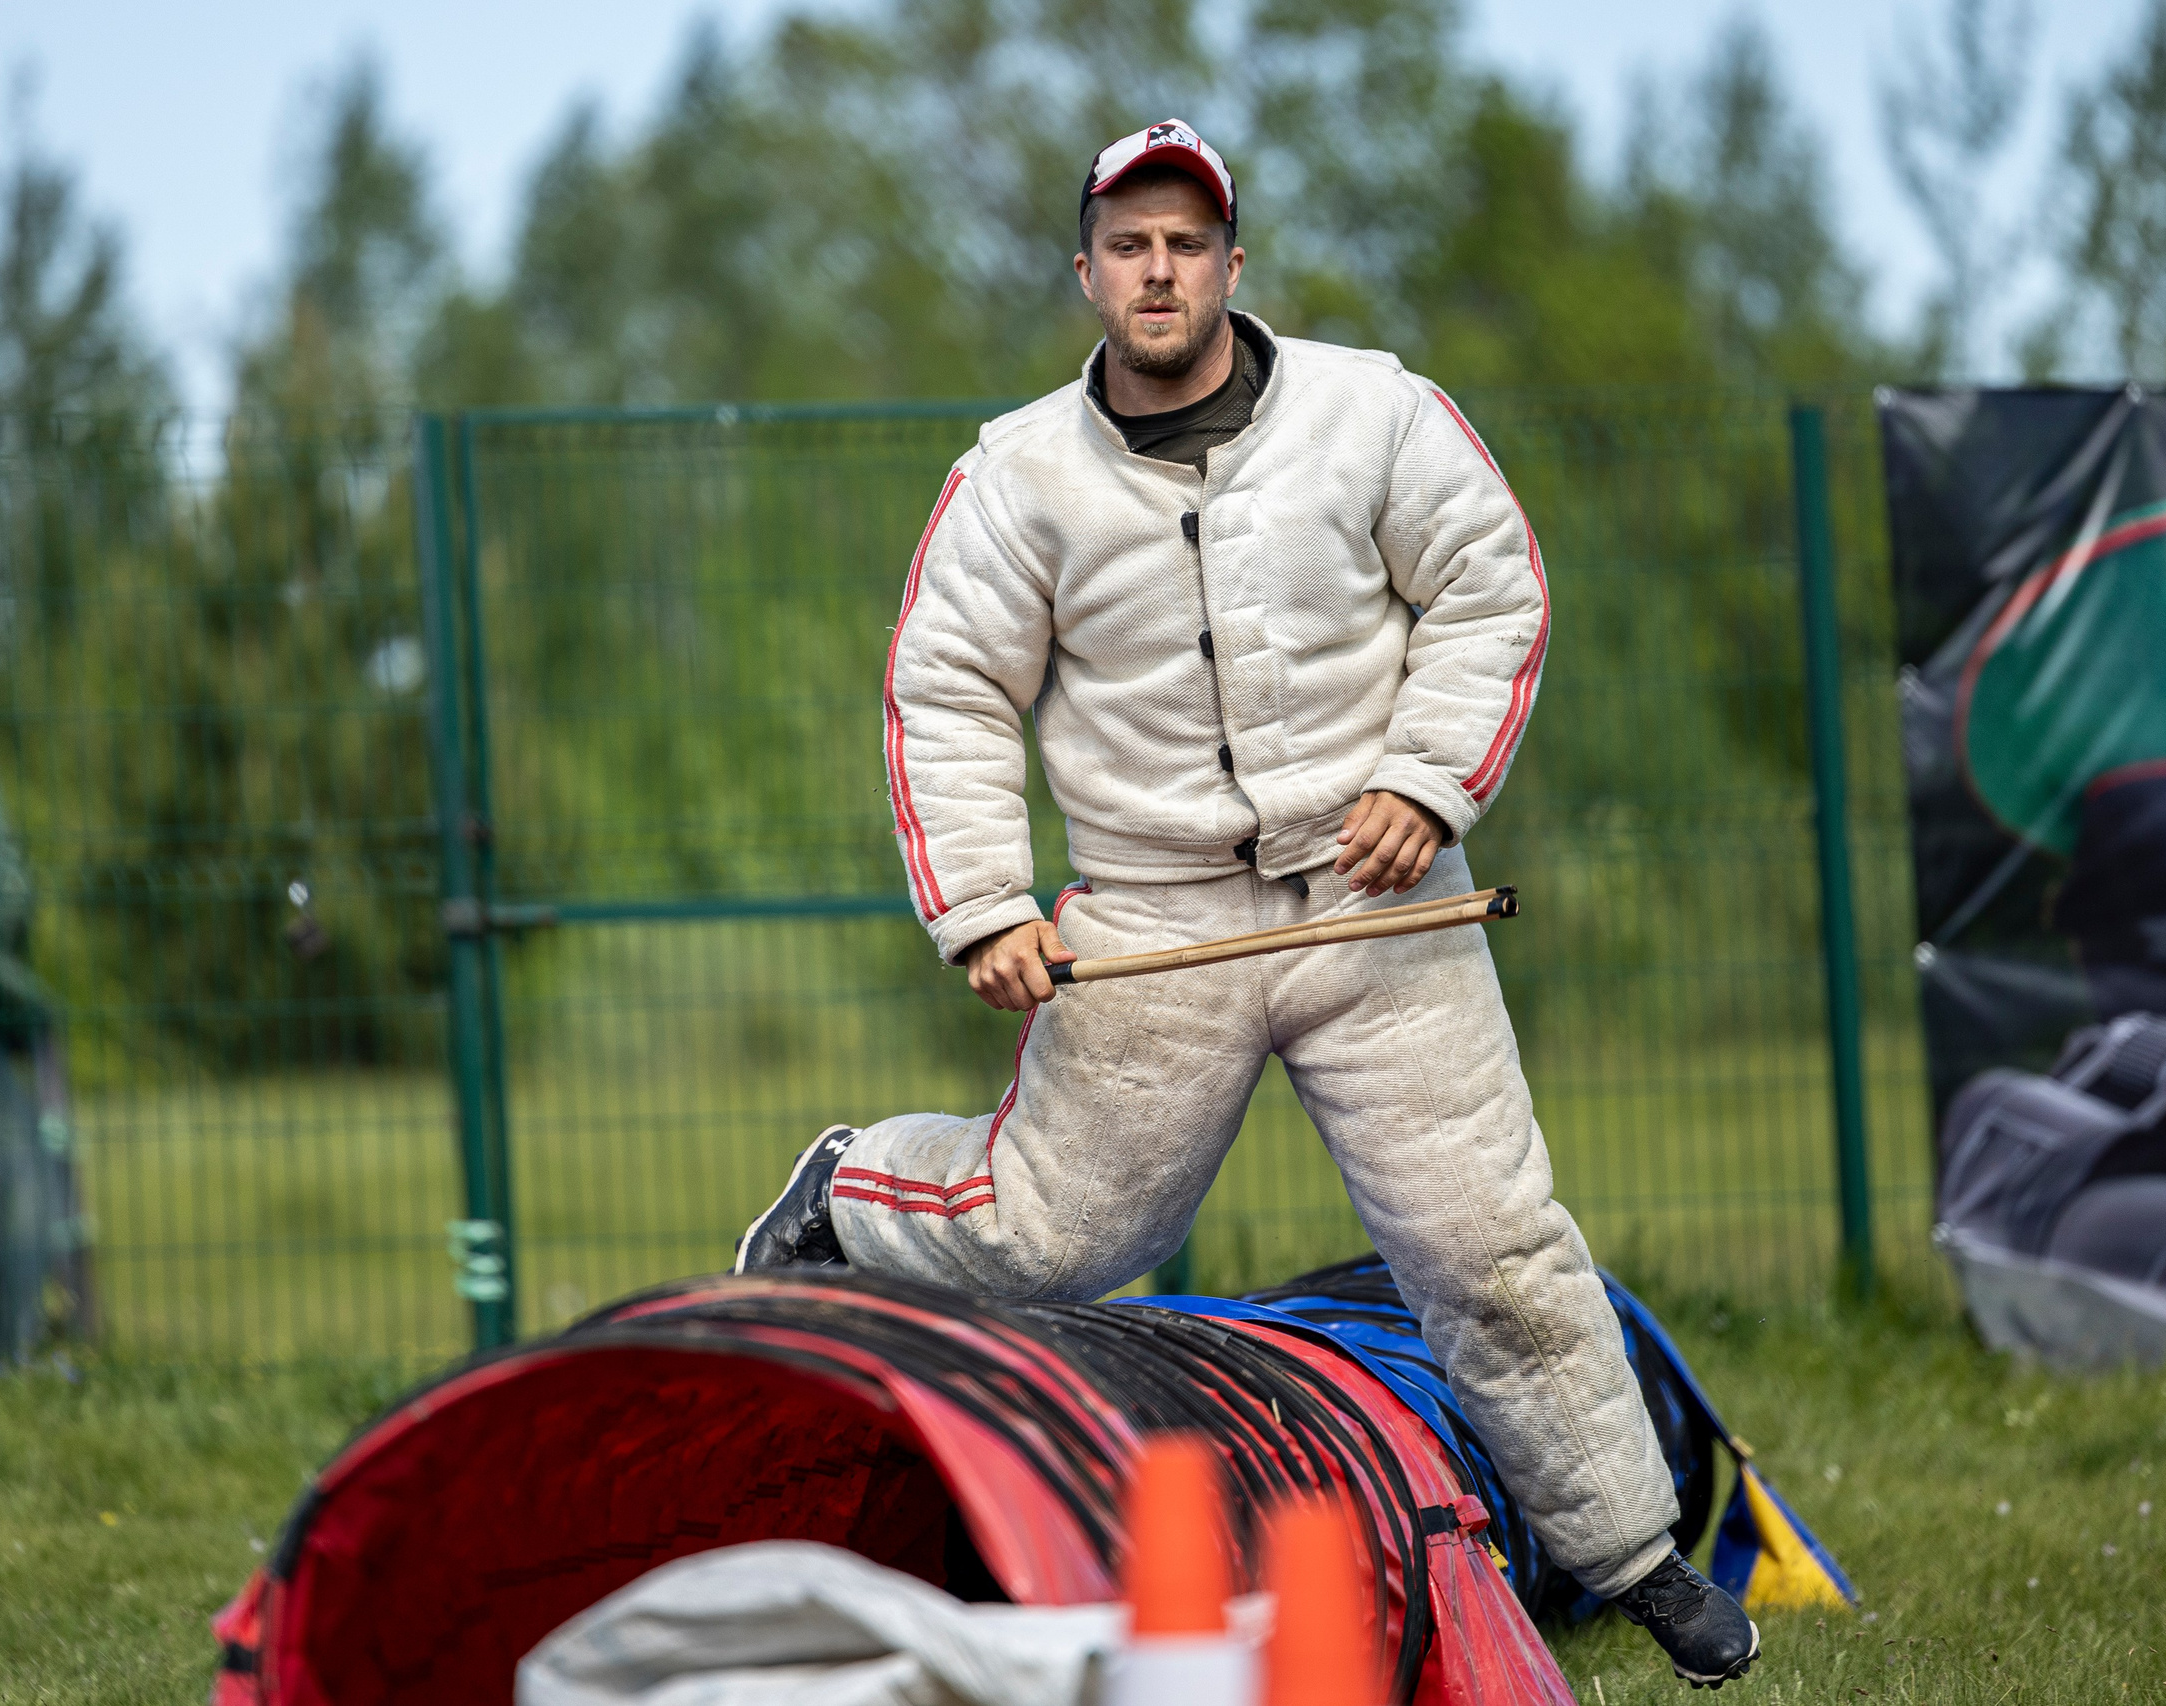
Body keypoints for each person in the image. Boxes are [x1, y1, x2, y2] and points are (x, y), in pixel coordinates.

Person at [737, 120, 1760, 1688]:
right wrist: (987, 904)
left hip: (1379, 908)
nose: (1159, 269)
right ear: (1087, 271)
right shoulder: (1011, 478)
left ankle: (1635, 1554)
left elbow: (1493, 583)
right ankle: (846, 1192)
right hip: (1151, 923)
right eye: (1128, 244)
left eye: (1186, 242)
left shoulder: (1377, 411)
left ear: (1232, 262)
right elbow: (942, 688)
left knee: (1489, 1246)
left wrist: (1427, 781)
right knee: (1052, 1239)